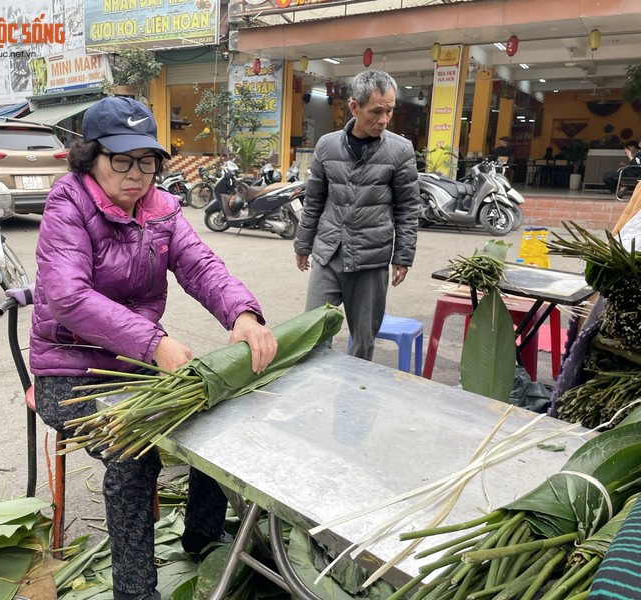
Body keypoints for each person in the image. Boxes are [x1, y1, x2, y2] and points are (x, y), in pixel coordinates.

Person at [30, 96, 278, 600]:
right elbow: (67, 297)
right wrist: (155, 342)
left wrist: (243, 315)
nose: (136, 173)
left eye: (146, 160)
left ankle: (203, 536)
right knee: (133, 454)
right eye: (121, 159)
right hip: (68, 374)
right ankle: (136, 592)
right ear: (91, 157)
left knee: (212, 405)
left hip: (132, 366)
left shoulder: (162, 210)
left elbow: (201, 266)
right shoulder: (68, 204)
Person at [293, 69, 419, 361]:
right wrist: (303, 243)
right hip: (329, 253)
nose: (384, 119)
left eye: (389, 111)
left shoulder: (400, 151)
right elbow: (314, 201)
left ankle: (354, 400)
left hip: (370, 260)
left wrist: (403, 255)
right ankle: (315, 395)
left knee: (363, 343)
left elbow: (408, 208)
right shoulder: (327, 145)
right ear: (354, 107)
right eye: (376, 111)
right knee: (312, 332)